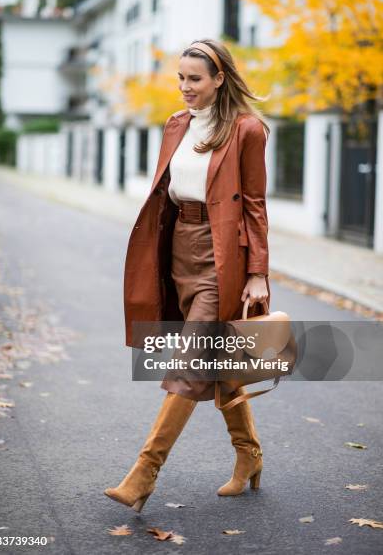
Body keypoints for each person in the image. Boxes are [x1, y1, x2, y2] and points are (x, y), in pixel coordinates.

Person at [104, 38, 270, 512]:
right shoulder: (176, 125)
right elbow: (166, 191)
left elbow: (255, 204)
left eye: (194, 79)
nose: (185, 87)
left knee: (192, 361)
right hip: (179, 249)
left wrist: (257, 271)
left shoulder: (247, 130)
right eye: (180, 78)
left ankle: (144, 473)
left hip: (223, 258)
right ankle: (250, 456)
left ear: (220, 79)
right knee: (221, 362)